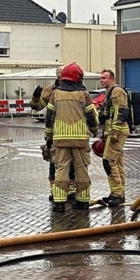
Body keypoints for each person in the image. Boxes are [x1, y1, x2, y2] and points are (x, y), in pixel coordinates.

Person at [45, 63, 98, 212]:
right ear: (78, 77)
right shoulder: (84, 94)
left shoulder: (55, 93)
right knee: (81, 169)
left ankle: (59, 203)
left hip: (60, 139)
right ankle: (82, 202)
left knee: (61, 169)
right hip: (80, 139)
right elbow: (90, 116)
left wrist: (48, 136)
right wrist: (94, 130)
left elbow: (49, 117)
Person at [32, 67, 76, 202]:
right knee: (53, 163)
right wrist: (35, 97)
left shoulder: (75, 88)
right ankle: (55, 191)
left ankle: (71, 191)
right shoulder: (50, 90)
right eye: (61, 75)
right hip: (55, 132)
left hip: (72, 131)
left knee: (72, 164)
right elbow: (38, 106)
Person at [98, 68, 130, 206]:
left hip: (116, 132)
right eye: (101, 78)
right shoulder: (109, 92)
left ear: (112, 79)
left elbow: (120, 111)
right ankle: (119, 193)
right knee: (117, 162)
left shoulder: (116, 91)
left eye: (104, 78)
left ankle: (117, 194)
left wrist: (114, 132)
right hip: (112, 131)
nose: (101, 80)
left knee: (108, 161)